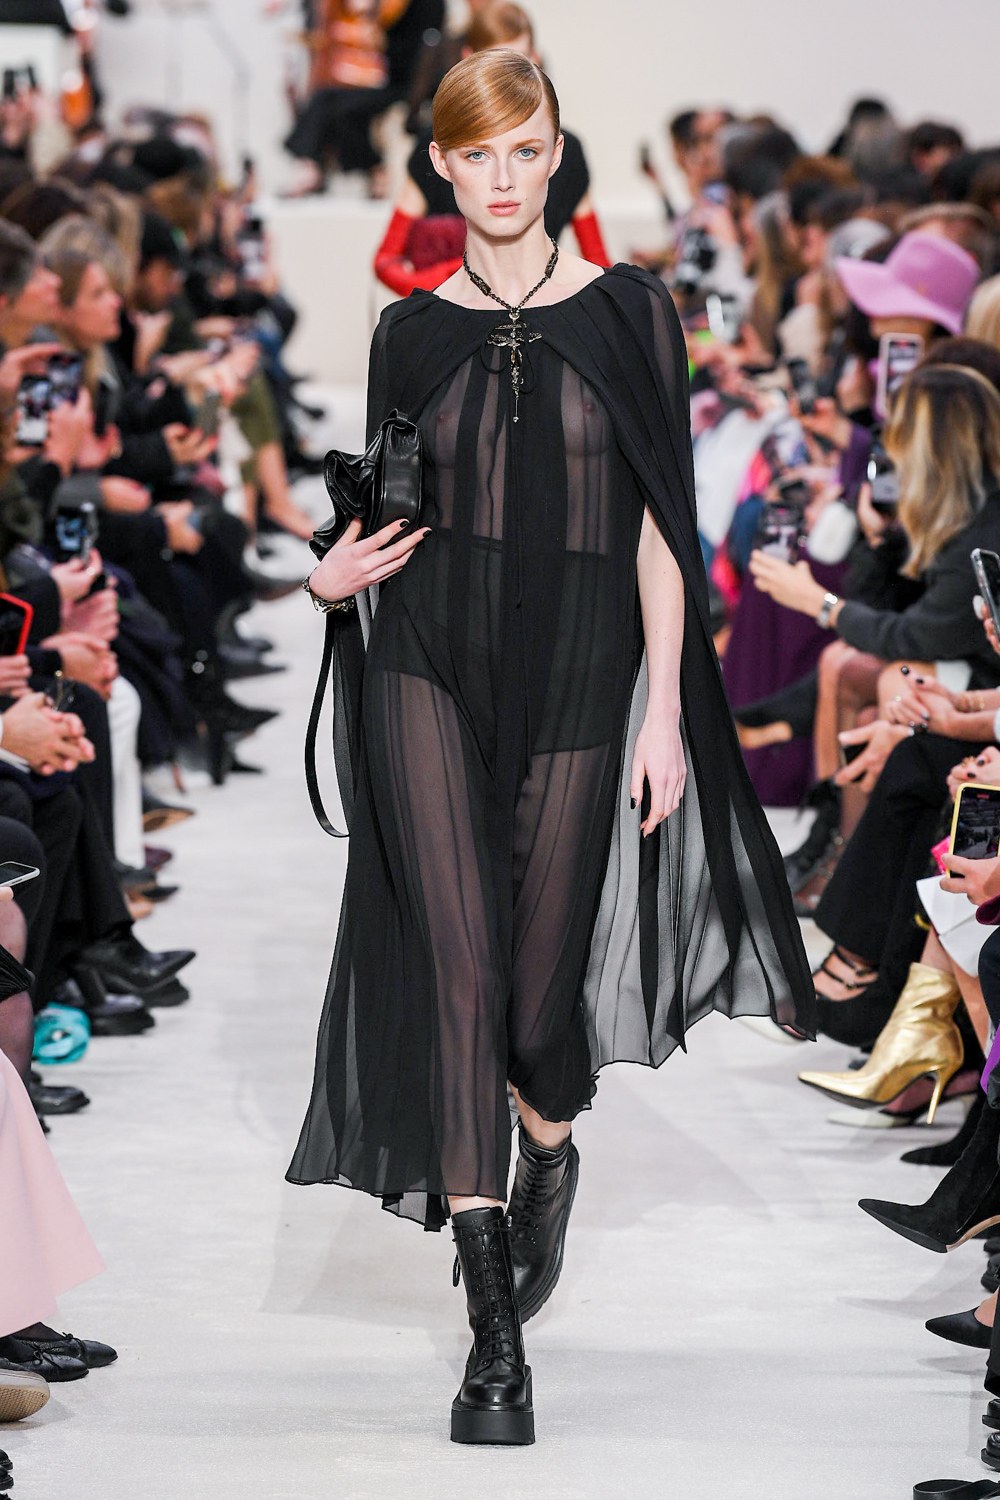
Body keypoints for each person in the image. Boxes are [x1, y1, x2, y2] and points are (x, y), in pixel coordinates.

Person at [289, 47, 812, 1444]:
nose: (504, 178)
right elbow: (387, 514)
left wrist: (666, 711)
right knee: (459, 978)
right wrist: (326, 582)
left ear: (558, 149)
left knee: (534, 1009)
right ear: (442, 167)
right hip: (428, 666)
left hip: (585, 675)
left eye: (526, 150)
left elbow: (659, 527)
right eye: (479, 155)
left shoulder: (633, 311)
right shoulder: (408, 331)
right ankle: (494, 1345)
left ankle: (553, 1146)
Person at [373, 2, 609, 297]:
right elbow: (386, 260)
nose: (503, 179)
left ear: (535, 60)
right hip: (456, 311)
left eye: (519, 62)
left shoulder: (568, 151)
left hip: (542, 308)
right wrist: (452, 285)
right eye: (476, 155)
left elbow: (599, 264)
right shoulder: (442, 145)